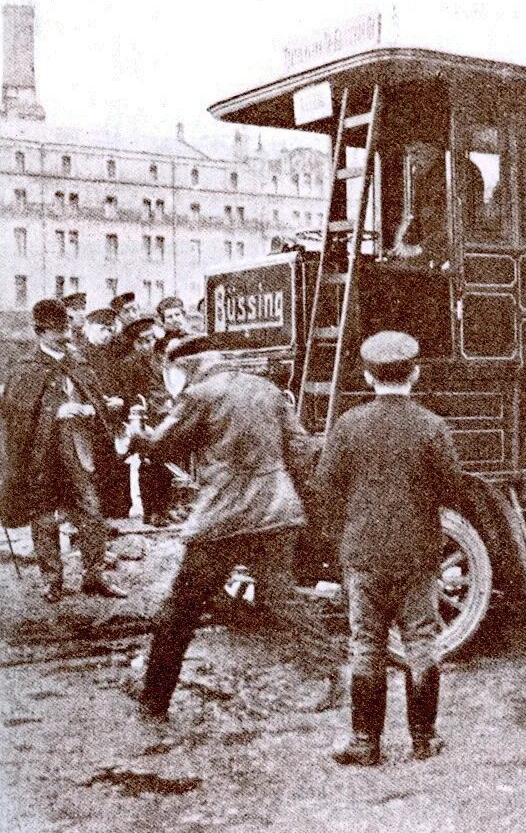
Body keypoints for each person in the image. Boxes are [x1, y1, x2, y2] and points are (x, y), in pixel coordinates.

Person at [130, 336, 340, 720]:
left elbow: (160, 447)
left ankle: (154, 698)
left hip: (223, 519)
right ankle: (330, 675)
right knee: (282, 597)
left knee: (181, 607)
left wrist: (136, 429)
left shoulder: (198, 395)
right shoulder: (268, 389)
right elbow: (302, 450)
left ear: (184, 368)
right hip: (276, 511)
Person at [312, 331, 472, 766]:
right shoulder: (432, 426)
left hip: (362, 554)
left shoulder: (348, 425)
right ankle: (423, 739)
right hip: (417, 553)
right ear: (415, 374)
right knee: (421, 640)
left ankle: (365, 742)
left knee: (365, 643)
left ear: (367, 377)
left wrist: (344, 533)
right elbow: (453, 490)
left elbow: (324, 488)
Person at [0, 299, 127, 602]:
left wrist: (102, 405)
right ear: (39, 332)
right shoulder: (25, 368)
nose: (65, 334)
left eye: (66, 327)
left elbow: (93, 397)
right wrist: (58, 411)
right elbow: (16, 413)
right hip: (43, 455)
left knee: (92, 513)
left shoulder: (78, 361)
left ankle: (94, 576)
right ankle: (52, 581)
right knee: (44, 516)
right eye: (57, 330)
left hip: (81, 451)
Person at [119, 315, 173, 525]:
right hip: (146, 420)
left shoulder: (160, 359)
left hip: (164, 417)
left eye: (150, 340)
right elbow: (130, 396)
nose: (148, 344)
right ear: (135, 342)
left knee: (166, 465)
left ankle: (164, 508)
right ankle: (152, 512)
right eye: (143, 341)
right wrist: (141, 424)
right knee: (149, 465)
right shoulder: (129, 364)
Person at [80, 308, 131, 521]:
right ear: (89, 328)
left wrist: (122, 401)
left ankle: (118, 513)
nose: (107, 335)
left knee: (118, 466)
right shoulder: (79, 356)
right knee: (94, 470)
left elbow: (128, 386)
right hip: (91, 424)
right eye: (102, 329)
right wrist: (100, 404)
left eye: (110, 330)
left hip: (114, 423)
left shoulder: (115, 354)